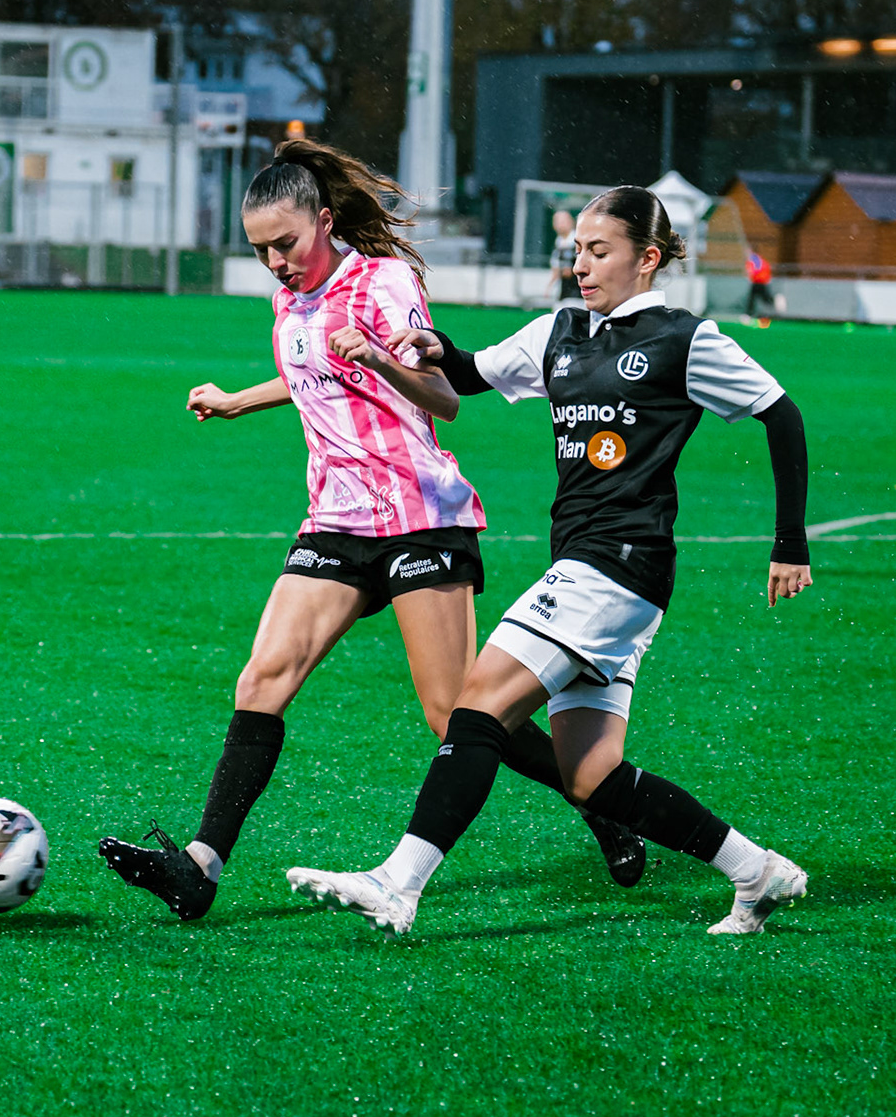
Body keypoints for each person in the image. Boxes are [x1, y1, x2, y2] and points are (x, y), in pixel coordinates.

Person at [99, 142, 645, 921]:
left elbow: (444, 397)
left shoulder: (384, 284)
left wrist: (379, 361)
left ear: (324, 221)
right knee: (262, 679)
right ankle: (200, 867)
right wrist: (234, 401)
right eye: (259, 251)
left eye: (286, 244)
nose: (276, 263)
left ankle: (598, 799)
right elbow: (311, 373)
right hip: (337, 518)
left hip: (420, 515)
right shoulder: (288, 297)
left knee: (455, 714)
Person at [287, 185, 814, 937]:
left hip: (618, 565)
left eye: (601, 252)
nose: (583, 266)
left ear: (649, 258)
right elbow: (470, 373)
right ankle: (754, 871)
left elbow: (781, 414)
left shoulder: (683, 339)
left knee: (477, 706)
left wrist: (788, 542)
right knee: (589, 774)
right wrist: (430, 350)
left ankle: (398, 884)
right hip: (592, 567)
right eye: (577, 252)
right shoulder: (559, 333)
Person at [546, 207, 581, 304]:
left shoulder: (577, 242)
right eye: (556, 221)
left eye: (562, 221)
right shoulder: (558, 243)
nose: (559, 224)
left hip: (576, 295)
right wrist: (550, 286)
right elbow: (556, 269)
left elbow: (567, 272)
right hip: (562, 294)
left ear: (571, 222)